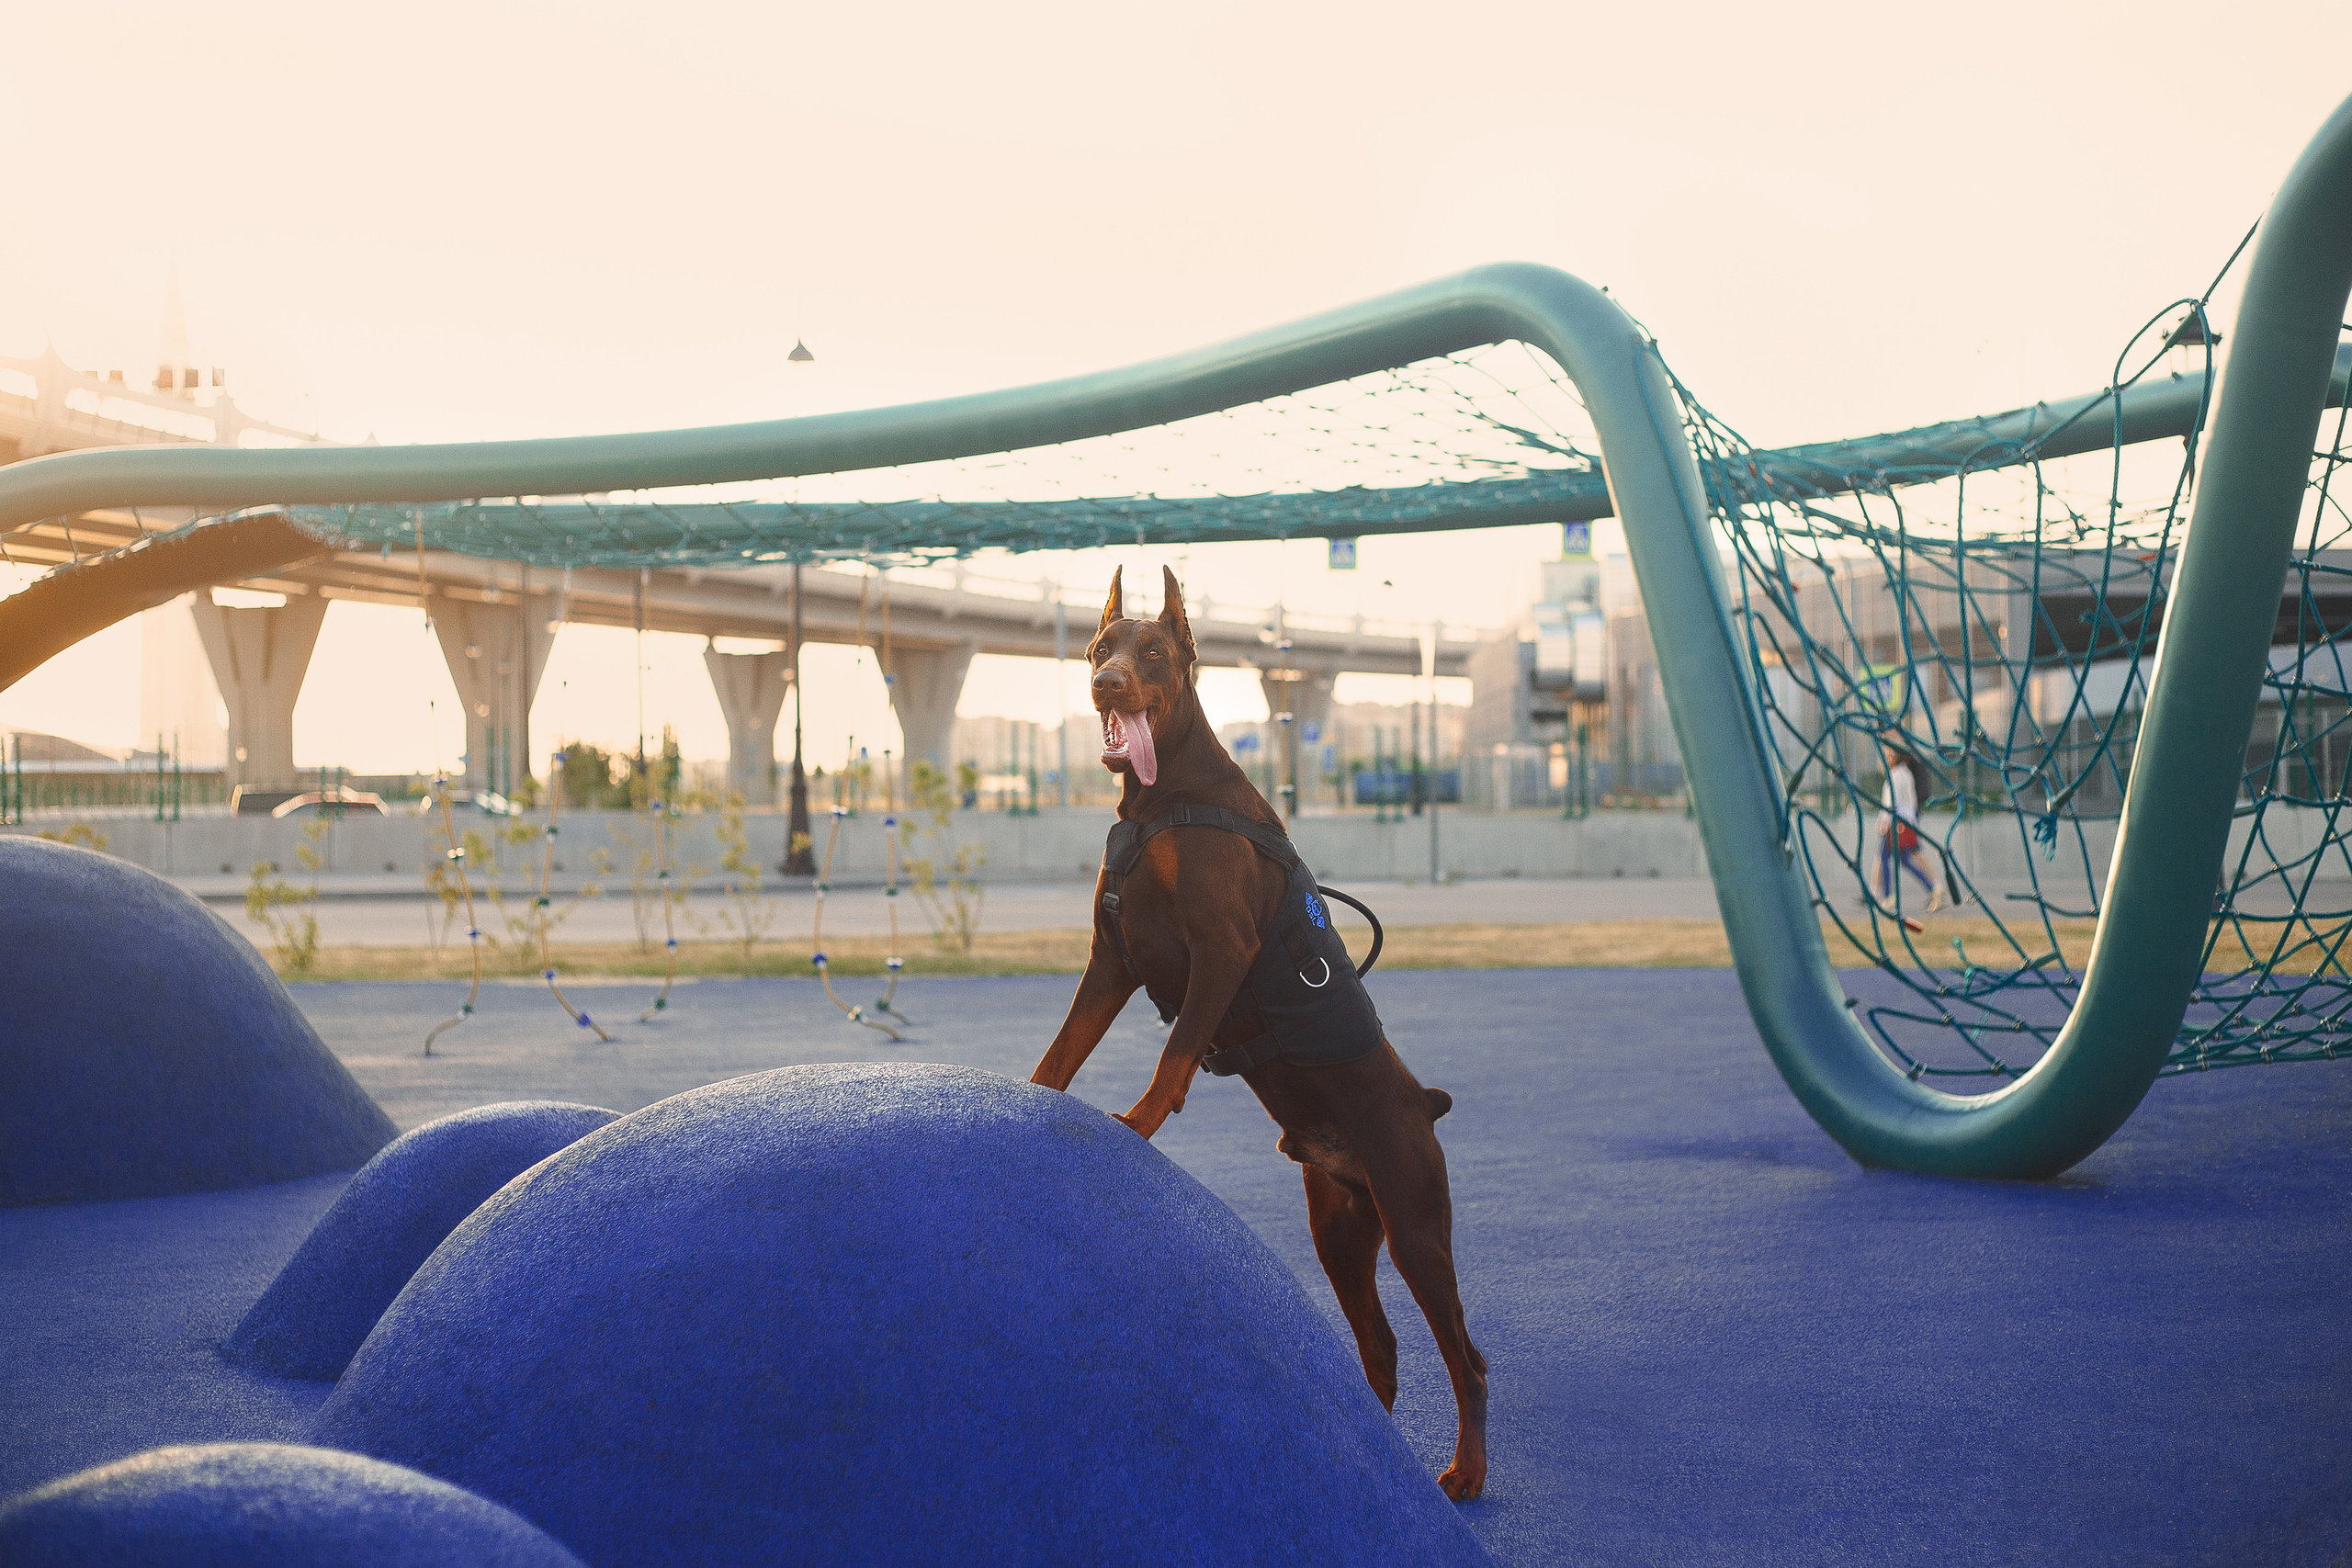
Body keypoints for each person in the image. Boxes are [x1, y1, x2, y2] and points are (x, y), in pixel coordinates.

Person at [1874, 741, 1943, 911]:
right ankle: (1932, 888)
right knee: (1904, 860)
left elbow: (1892, 803)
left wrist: (1883, 821)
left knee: (1884, 857)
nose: (1887, 756)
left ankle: (1888, 896)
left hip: (1896, 823)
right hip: (1904, 821)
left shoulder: (1897, 775)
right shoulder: (1904, 773)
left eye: (1890, 753)